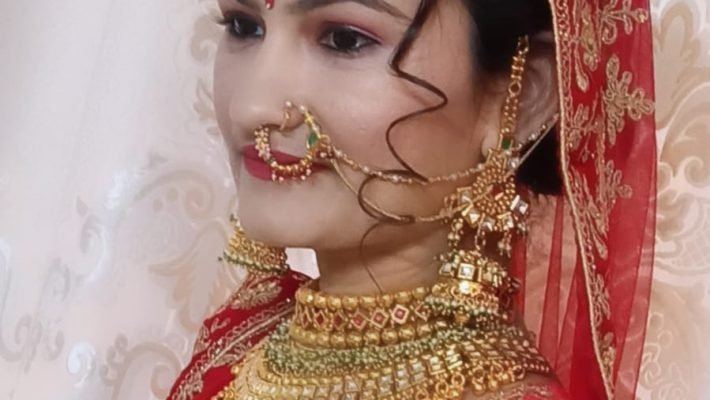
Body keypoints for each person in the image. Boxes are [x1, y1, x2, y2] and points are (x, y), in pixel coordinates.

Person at [167, 0, 656, 398]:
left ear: (522, 95)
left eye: (344, 39)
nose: (251, 106)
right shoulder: (236, 344)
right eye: (243, 26)